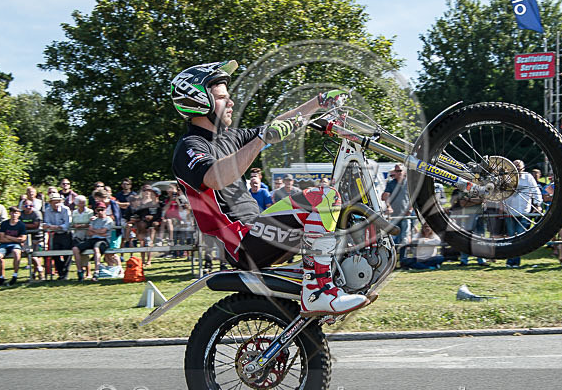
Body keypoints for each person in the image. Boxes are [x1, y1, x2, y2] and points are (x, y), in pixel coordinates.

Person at [170, 60, 367, 315]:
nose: (231, 103)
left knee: (343, 207)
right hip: (240, 243)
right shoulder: (190, 146)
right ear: (199, 101)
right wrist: (261, 140)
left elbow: (276, 125)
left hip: (257, 230)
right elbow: (215, 177)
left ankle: (338, 279)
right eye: (221, 98)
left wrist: (318, 103)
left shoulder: (230, 138)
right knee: (322, 198)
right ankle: (317, 291)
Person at [503, 160, 542, 268]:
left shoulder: (528, 177)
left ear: (523, 168)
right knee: (511, 237)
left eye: (519, 166)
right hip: (510, 212)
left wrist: (538, 204)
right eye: (515, 166)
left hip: (524, 212)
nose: (518, 168)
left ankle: (515, 261)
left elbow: (535, 191)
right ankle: (510, 261)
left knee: (520, 237)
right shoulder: (507, 178)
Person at [72, 202, 113, 281]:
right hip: (92, 239)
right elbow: (89, 232)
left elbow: (103, 231)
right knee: (75, 249)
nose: (100, 212)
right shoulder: (94, 220)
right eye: (98, 210)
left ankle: (96, 272)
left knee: (96, 249)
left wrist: (95, 231)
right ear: (95, 211)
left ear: (105, 210)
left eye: (102, 209)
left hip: (103, 240)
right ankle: (80, 271)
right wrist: (99, 232)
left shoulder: (108, 220)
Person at [0, 206, 27, 286]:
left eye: (16, 213)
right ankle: (1, 277)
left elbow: (22, 239)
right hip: (4, 245)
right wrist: (15, 239)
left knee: (16, 253)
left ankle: (15, 275)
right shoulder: (4, 224)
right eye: (12, 213)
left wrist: (8, 237)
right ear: (9, 213)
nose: (14, 215)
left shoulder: (21, 225)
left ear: (19, 214)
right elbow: (1, 239)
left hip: (16, 245)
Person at [42, 192, 72, 279]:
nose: (56, 204)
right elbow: (46, 222)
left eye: (58, 202)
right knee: (55, 254)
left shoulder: (65, 209)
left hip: (66, 234)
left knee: (67, 254)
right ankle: (60, 273)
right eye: (54, 202)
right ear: (50, 203)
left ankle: (65, 273)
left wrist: (57, 227)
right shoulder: (48, 210)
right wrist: (52, 227)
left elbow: (67, 223)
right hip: (54, 235)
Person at [382, 164, 411, 247]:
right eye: (396, 171)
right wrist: (388, 206)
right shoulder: (391, 183)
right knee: (393, 238)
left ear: (404, 172)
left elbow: (413, 197)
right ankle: (394, 253)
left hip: (406, 214)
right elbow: (386, 196)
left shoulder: (409, 183)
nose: (398, 173)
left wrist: (410, 209)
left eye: (400, 171)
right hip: (394, 215)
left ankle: (403, 254)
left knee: (405, 238)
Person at [19, 198, 45, 280]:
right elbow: (18, 225)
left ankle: (35, 272)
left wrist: (23, 225)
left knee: (37, 255)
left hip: (38, 237)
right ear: (23, 207)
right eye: (27, 206)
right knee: (29, 253)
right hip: (25, 237)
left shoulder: (36, 213)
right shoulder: (20, 214)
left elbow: (36, 225)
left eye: (31, 206)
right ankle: (40, 270)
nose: (29, 207)